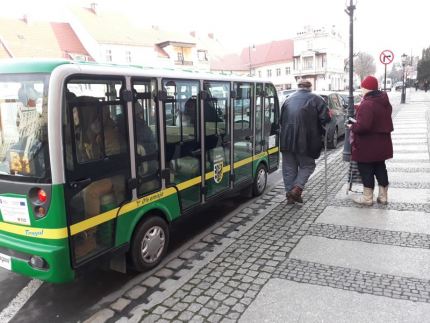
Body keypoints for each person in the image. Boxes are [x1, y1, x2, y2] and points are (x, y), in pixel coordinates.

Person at [280, 79, 331, 204]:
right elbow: (325, 119)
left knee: (289, 168)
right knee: (308, 165)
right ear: (310, 88)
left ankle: (290, 195)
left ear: (298, 87)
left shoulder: (287, 99)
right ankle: (296, 190)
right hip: (306, 141)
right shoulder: (317, 99)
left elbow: (280, 120)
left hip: (286, 139)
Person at [348, 75, 393, 205]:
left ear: (367, 88)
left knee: (366, 170)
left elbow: (363, 126)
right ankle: (383, 197)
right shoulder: (384, 102)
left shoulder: (367, 104)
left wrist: (352, 126)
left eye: (362, 87)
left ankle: (367, 199)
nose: (361, 89)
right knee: (380, 168)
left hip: (367, 145)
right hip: (382, 144)